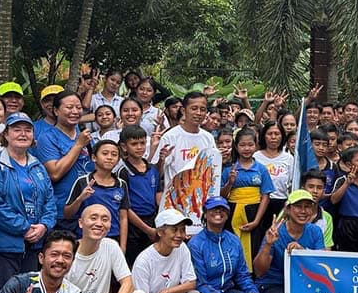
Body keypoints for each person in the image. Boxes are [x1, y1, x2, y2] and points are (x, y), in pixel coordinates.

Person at [0, 112, 57, 293]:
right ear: (6, 134)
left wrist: (44, 226)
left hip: (32, 246)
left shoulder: (38, 166)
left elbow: (50, 201)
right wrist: (24, 228)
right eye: (17, 129)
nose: (23, 134)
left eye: (28, 130)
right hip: (2, 247)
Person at [187, 196, 260, 293]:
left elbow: (242, 274)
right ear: (205, 214)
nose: (218, 212)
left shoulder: (233, 240)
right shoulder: (196, 244)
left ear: (228, 214)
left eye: (223, 209)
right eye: (214, 209)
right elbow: (201, 285)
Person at [254, 190, 326, 293]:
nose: (303, 211)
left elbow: (322, 265)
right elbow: (259, 271)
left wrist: (304, 252)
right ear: (288, 209)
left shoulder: (315, 231)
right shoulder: (275, 232)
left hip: (302, 284)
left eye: (307, 207)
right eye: (298, 206)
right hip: (273, 284)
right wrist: (268, 244)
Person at [156, 91, 221, 229]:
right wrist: (161, 159)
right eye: (194, 108)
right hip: (176, 202)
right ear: (184, 110)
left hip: (200, 202)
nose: (198, 113)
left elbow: (211, 168)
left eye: (202, 109)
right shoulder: (170, 137)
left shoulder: (208, 138)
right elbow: (158, 173)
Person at [36, 92, 95, 228]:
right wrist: (79, 145)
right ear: (56, 111)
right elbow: (55, 173)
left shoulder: (84, 135)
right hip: (63, 209)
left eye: (78, 107)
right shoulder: (47, 138)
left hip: (88, 208)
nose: (75, 111)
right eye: (69, 107)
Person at [221, 128, 274, 268]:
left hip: (255, 213)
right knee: (232, 247)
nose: (246, 148)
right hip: (232, 214)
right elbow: (221, 196)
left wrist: (256, 221)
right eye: (242, 145)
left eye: (250, 145)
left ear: (256, 146)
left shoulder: (261, 169)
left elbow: (265, 196)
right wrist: (230, 183)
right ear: (236, 146)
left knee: (254, 247)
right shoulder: (228, 169)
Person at [63, 139, 129, 246]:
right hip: (86, 238)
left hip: (112, 238)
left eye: (114, 155)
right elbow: (67, 214)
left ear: (118, 160)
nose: (109, 157)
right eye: (105, 153)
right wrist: (80, 199)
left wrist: (123, 247)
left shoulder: (121, 184)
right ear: (94, 157)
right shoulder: (83, 182)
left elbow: (123, 217)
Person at [116, 124, 160, 264]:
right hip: (133, 226)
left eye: (142, 143)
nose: (139, 147)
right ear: (124, 147)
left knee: (152, 263)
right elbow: (125, 208)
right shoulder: (122, 171)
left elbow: (158, 195)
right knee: (135, 264)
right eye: (134, 144)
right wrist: (147, 229)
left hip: (153, 221)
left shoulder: (152, 168)